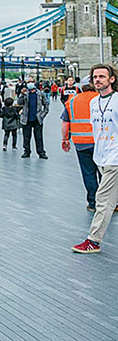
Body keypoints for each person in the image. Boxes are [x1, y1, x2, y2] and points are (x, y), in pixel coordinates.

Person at [72, 65, 118, 253]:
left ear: (112, 79)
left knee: (103, 199)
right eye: (95, 77)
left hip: (115, 158)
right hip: (100, 156)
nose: (98, 79)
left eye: (102, 76)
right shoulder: (93, 103)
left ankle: (93, 240)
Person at [62, 83, 100, 211]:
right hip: (102, 143)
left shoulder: (72, 101)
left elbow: (65, 123)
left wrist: (65, 139)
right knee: (106, 174)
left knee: (88, 173)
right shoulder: (101, 98)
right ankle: (111, 202)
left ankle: (93, 203)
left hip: (81, 143)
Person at [17, 79, 50, 159]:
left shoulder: (40, 93)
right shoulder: (25, 94)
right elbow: (19, 102)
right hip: (26, 118)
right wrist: (22, 94)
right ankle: (26, 151)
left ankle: (41, 152)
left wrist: (43, 114)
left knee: (38, 137)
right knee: (26, 136)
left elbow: (46, 104)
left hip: (37, 118)